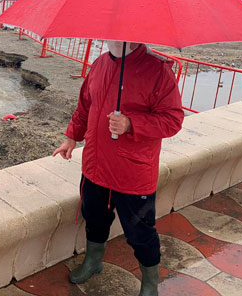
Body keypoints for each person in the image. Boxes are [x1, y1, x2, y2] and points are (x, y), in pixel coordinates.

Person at [53, 41, 184, 296]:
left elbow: (173, 120)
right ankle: (93, 260)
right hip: (95, 166)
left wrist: (131, 123)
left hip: (133, 173)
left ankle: (149, 283)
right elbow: (85, 106)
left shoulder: (158, 70)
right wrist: (71, 137)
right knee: (95, 218)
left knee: (140, 231)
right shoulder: (100, 64)